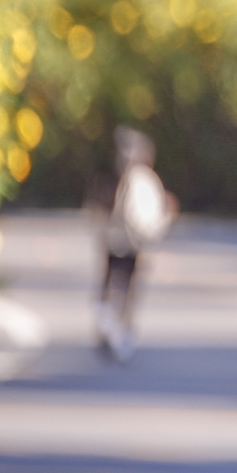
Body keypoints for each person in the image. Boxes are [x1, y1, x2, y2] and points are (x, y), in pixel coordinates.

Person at [89, 128, 174, 361]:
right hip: (115, 238)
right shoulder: (111, 178)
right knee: (113, 278)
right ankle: (108, 323)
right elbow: (100, 208)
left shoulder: (142, 180)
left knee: (127, 282)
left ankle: (122, 328)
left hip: (132, 241)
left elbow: (151, 210)